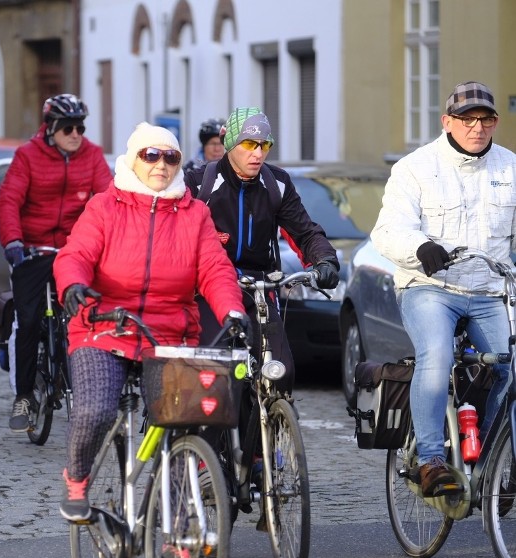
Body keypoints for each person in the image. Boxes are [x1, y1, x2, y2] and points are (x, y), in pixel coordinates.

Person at [53, 122, 248, 520]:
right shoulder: (105, 206)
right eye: (150, 155)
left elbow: (215, 268)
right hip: (105, 326)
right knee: (95, 412)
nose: (161, 164)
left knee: (186, 427)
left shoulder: (194, 214)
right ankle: (77, 477)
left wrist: (232, 309)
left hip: (169, 335)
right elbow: (76, 254)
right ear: (133, 160)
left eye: (170, 156)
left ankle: (180, 528)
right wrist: (73, 285)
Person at [371, 81, 516, 498]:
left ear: (495, 123)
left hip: (490, 290)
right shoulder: (415, 167)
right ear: (447, 122)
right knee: (435, 354)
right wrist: (420, 247)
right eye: (467, 119)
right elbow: (389, 230)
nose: (477, 127)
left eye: (486, 119)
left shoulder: (509, 168)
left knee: (512, 365)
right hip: (430, 287)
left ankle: (491, 459)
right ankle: (431, 460)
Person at [183, 107, 339, 395]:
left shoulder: (276, 183)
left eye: (264, 145)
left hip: (260, 288)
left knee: (281, 371)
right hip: (209, 288)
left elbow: (304, 231)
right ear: (228, 142)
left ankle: (269, 434)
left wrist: (324, 259)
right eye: (248, 144)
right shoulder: (198, 183)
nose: (257, 154)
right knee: (214, 374)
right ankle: (213, 439)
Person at [0, 93, 112, 433]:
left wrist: (106, 241)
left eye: (80, 127)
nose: (76, 134)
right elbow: (8, 200)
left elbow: (106, 200)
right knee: (28, 321)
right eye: (68, 128)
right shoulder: (28, 156)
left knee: (87, 315)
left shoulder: (91, 155)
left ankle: (90, 387)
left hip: (74, 250)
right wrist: (13, 241)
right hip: (32, 248)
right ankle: (25, 395)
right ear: (51, 129)